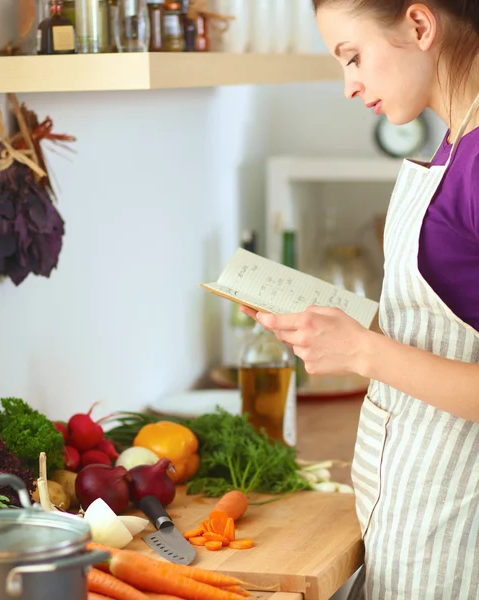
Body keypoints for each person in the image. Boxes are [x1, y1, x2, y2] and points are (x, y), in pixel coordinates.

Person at [241, 1, 479, 598]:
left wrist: (362, 352)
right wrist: (344, 324)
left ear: (420, 26)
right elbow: (458, 320)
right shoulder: (456, 142)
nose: (349, 86)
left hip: (459, 527)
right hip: (416, 511)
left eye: (353, 57)